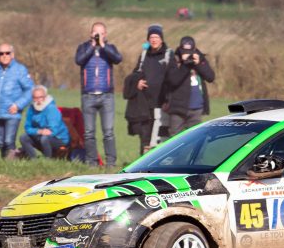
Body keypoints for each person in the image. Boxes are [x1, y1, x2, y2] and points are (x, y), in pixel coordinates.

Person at [75, 21, 123, 167]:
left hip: (106, 95)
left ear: (105, 34)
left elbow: (117, 58)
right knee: (89, 133)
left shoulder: (109, 48)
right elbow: (79, 60)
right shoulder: (83, 47)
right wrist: (92, 46)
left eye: (101, 33)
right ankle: (92, 162)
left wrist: (102, 45)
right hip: (88, 95)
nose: (98, 36)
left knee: (108, 132)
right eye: (96, 33)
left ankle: (111, 163)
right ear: (91, 33)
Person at [123, 24, 171, 154]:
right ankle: (142, 165)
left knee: (162, 138)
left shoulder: (168, 55)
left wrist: (169, 99)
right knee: (145, 136)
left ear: (161, 39)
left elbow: (173, 77)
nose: (154, 39)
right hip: (145, 104)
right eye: (151, 37)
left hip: (162, 104)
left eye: (156, 37)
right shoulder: (144, 56)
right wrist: (137, 83)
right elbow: (135, 74)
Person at [0, 44, 34, 159]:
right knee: (1, 143)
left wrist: (18, 105)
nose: (4, 56)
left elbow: (30, 89)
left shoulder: (20, 70)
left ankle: (11, 166)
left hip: (12, 113)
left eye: (7, 53)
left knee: (8, 141)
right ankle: (6, 164)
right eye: (1, 53)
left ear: (12, 55)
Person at [163, 36, 215, 136]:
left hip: (196, 108)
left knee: (195, 140)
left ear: (194, 49)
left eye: (189, 51)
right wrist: (185, 65)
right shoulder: (174, 59)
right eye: (184, 51)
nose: (187, 54)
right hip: (178, 109)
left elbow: (210, 77)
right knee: (174, 140)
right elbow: (173, 81)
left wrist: (199, 64)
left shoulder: (199, 58)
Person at [19, 86, 70, 159]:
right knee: (23, 137)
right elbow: (27, 127)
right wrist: (39, 131)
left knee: (45, 138)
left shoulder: (51, 108)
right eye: (35, 98)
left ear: (45, 97)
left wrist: (43, 132)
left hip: (59, 138)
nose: (38, 100)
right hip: (41, 135)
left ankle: (47, 160)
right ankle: (33, 159)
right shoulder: (31, 108)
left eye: (41, 97)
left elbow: (53, 130)